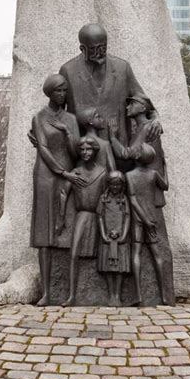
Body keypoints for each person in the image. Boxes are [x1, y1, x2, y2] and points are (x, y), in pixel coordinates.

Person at [29, 74, 87, 306]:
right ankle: (47, 293)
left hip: (69, 177)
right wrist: (63, 172)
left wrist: (68, 132)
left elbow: (76, 152)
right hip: (46, 176)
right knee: (44, 235)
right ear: (50, 93)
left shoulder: (71, 119)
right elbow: (43, 148)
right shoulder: (39, 118)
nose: (63, 95)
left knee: (69, 231)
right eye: (59, 91)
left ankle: (71, 291)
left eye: (65, 91)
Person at [59, 24, 162, 150]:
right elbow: (57, 111)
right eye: (94, 49)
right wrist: (41, 128)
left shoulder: (122, 68)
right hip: (85, 152)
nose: (100, 53)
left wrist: (156, 119)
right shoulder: (68, 71)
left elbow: (143, 103)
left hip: (119, 147)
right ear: (82, 48)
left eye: (103, 47)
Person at [57, 135, 107, 306]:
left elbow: (108, 195)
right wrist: (62, 217)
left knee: (105, 252)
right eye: (82, 150)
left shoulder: (102, 172)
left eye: (89, 149)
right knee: (74, 253)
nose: (85, 152)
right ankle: (72, 295)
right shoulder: (76, 172)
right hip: (82, 216)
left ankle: (108, 292)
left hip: (98, 216)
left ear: (95, 151)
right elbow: (64, 193)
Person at [125, 143, 175, 306]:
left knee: (136, 253)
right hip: (152, 218)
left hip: (138, 219)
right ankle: (164, 295)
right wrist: (165, 168)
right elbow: (165, 185)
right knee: (156, 254)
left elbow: (132, 200)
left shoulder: (130, 176)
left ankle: (139, 294)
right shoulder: (154, 174)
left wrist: (143, 219)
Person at [110, 92, 167, 200]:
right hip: (142, 186)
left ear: (142, 108)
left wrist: (112, 137)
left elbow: (126, 154)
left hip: (148, 190)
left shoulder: (149, 127)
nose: (127, 107)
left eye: (132, 104)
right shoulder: (139, 128)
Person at [96, 171, 131, 306]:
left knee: (120, 268)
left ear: (122, 186)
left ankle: (118, 295)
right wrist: (104, 234)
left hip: (121, 237)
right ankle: (111, 295)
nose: (115, 187)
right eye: (113, 185)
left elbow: (127, 216)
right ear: (108, 184)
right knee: (108, 268)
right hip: (107, 238)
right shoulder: (103, 199)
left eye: (118, 185)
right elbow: (99, 216)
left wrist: (124, 234)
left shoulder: (124, 200)